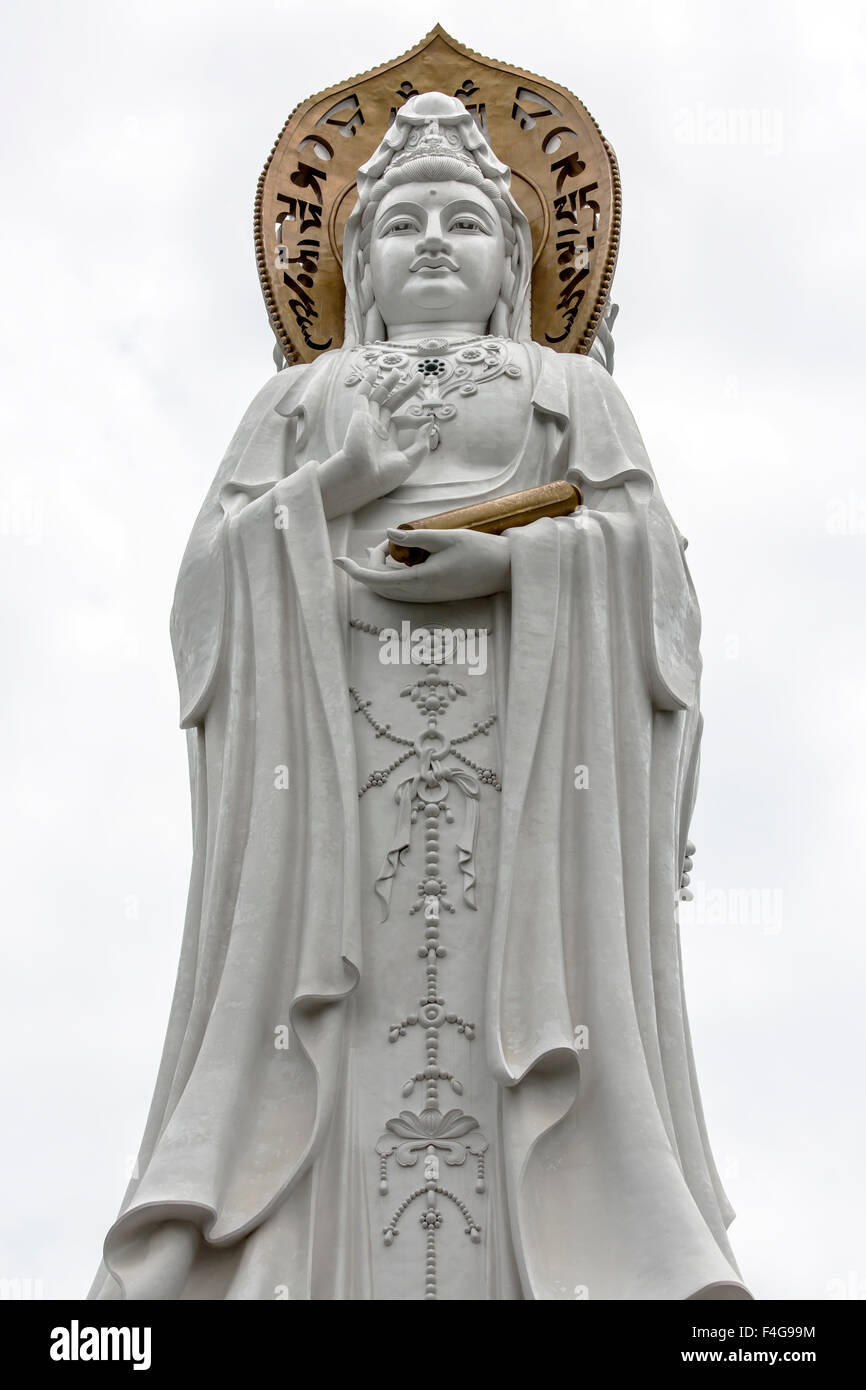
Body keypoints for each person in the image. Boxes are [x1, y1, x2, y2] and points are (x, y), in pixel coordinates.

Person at [90, 92, 750, 1301]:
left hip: (533, 767)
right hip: (328, 774)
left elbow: (651, 572)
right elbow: (203, 595)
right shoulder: (296, 400)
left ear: (512, 260)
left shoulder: (567, 388)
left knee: (515, 988)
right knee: (337, 1013)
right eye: (402, 221)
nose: (434, 239)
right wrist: (321, 495)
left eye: (464, 220)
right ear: (355, 263)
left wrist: (523, 561)